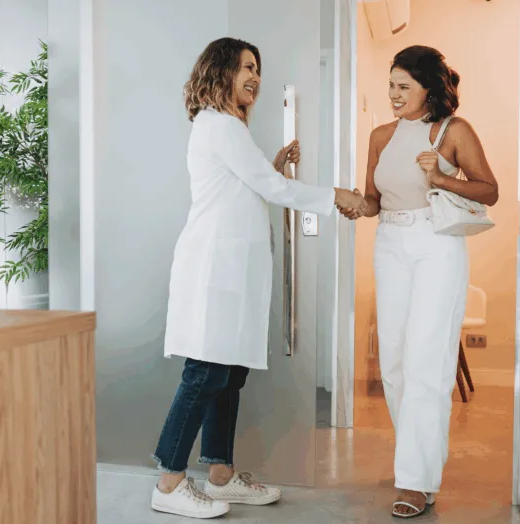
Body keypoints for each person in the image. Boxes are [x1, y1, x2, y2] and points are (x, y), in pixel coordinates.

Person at [150, 37, 367, 519]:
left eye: (258, 69)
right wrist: (338, 196)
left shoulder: (227, 128)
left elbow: (247, 185)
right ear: (221, 70)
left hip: (233, 271)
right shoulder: (220, 124)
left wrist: (273, 166)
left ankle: (220, 474)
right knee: (206, 372)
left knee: (228, 373)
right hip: (215, 269)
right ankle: (169, 483)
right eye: (247, 67)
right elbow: (269, 188)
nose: (255, 77)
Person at [337, 45, 499, 518]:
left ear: (428, 88)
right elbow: (374, 201)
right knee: (393, 364)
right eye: (390, 85)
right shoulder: (380, 136)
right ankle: (418, 462)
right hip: (391, 243)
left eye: (403, 86)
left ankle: (414, 480)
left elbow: (490, 190)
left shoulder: (453, 131)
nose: (393, 94)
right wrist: (355, 204)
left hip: (437, 245)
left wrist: (442, 179)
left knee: (427, 360)